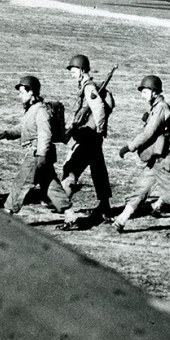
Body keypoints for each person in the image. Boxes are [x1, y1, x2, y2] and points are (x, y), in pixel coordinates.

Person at [0, 75, 80, 227]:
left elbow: (45, 134)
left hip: (37, 154)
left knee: (21, 183)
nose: (19, 95)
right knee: (51, 186)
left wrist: (41, 155)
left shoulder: (41, 111)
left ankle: (6, 216)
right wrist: (8, 133)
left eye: (22, 92)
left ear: (31, 92)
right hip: (41, 154)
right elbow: (23, 127)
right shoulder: (32, 109)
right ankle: (71, 216)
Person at [112, 75, 170, 238]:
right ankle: (121, 219)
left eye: (145, 91)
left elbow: (148, 133)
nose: (142, 95)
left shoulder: (161, 108)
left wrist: (129, 147)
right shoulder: (157, 107)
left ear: (154, 92)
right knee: (141, 188)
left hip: (163, 159)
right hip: (156, 159)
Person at [59, 55, 113, 221]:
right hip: (91, 137)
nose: (72, 73)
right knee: (98, 170)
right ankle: (105, 206)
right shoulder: (87, 86)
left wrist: (99, 130)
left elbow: (99, 109)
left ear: (82, 70)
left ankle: (62, 202)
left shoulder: (89, 88)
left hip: (88, 137)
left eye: (74, 70)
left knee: (71, 167)